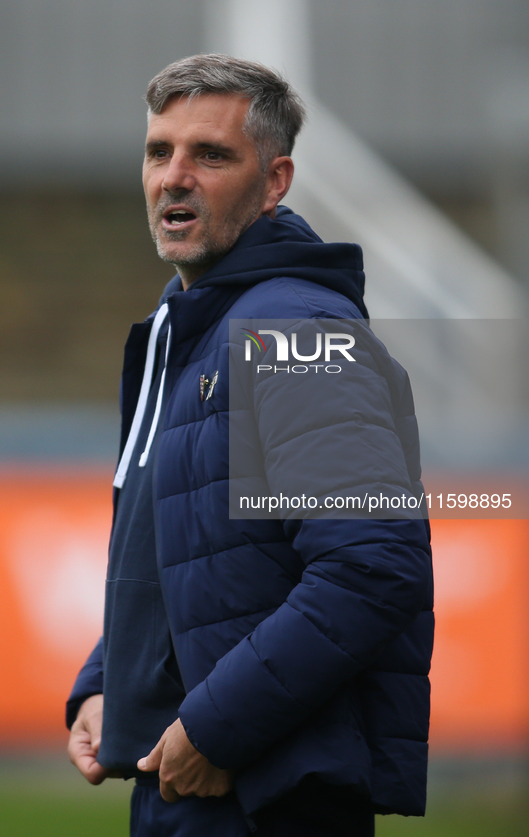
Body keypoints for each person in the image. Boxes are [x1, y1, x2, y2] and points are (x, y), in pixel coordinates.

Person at [66, 54, 433, 837]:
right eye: (159, 151)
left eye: (211, 155)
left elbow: (370, 566)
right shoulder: (181, 322)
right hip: (179, 782)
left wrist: (214, 730)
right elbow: (183, 552)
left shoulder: (294, 333)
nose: (174, 176)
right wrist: (109, 681)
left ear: (274, 182)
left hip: (263, 794)